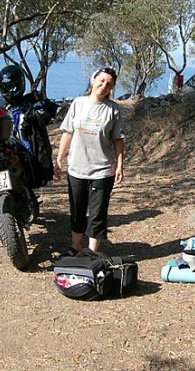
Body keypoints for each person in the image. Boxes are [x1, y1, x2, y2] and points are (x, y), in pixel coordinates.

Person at [55, 67, 125, 254]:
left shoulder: (113, 110)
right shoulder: (78, 103)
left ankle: (92, 252)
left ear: (111, 89)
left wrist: (119, 165)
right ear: (93, 80)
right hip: (77, 168)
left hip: (102, 171)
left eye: (109, 84)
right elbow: (68, 132)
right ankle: (76, 247)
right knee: (77, 210)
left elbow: (118, 139)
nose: (104, 86)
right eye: (101, 81)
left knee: (97, 214)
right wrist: (59, 158)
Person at [0, 64, 57, 188]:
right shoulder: (0, 107)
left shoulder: (31, 102)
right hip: (5, 151)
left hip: (27, 153)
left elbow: (50, 110)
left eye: (12, 87)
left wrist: (41, 110)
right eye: (5, 87)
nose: (9, 91)